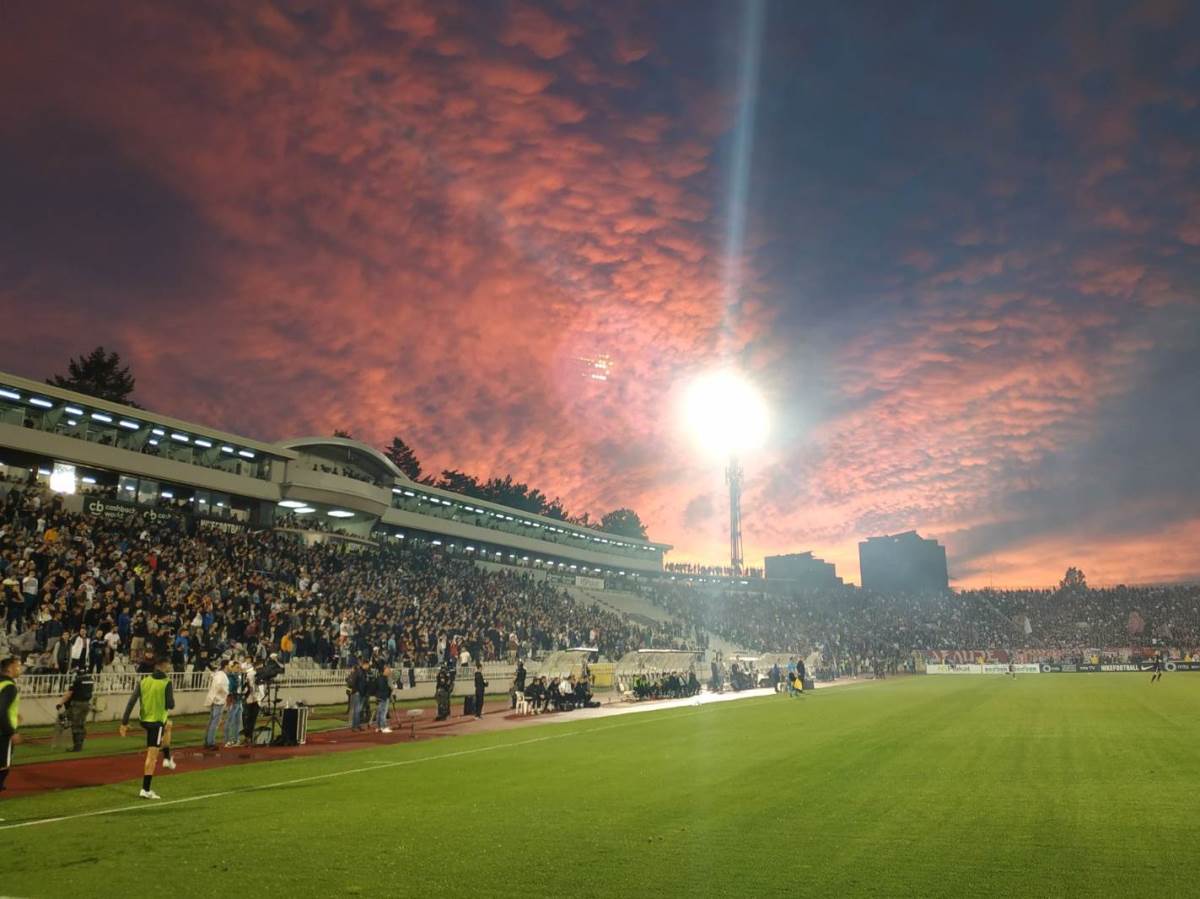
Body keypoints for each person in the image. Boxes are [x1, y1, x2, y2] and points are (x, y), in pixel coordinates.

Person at [119, 657, 177, 800]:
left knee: (169, 725)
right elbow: (170, 705)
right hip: (156, 722)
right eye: (168, 664)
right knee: (152, 757)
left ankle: (168, 758)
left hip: (144, 720)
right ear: (163, 666)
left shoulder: (144, 681)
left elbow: (131, 702)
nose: (169, 666)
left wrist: (124, 723)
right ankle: (145, 789)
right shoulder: (166, 682)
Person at [57, 662, 96, 752]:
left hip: (77, 704)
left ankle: (77, 746)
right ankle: (80, 743)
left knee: (75, 725)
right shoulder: (90, 680)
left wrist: (60, 703)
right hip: (86, 704)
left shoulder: (77, 681)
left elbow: (69, 694)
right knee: (81, 724)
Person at [0, 656, 23, 805]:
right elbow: (1, 710)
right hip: (2, 733)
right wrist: (11, 731)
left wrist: (15, 716)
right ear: (9, 669)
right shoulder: (9, 686)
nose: (19, 669)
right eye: (17, 666)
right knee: (3, 766)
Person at [203, 659, 229, 750]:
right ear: (226, 666)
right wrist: (226, 692)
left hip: (216, 700)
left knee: (212, 721)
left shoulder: (218, 674)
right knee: (214, 722)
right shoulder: (221, 675)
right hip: (218, 700)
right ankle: (210, 742)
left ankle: (208, 741)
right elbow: (220, 686)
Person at [374, 665, 394, 733]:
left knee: (379, 713)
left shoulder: (378, 678)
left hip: (379, 697)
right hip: (384, 697)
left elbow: (376, 688)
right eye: (388, 670)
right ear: (384, 671)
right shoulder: (385, 679)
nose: (389, 672)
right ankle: (384, 727)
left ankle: (378, 727)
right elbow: (386, 689)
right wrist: (390, 690)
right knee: (383, 713)